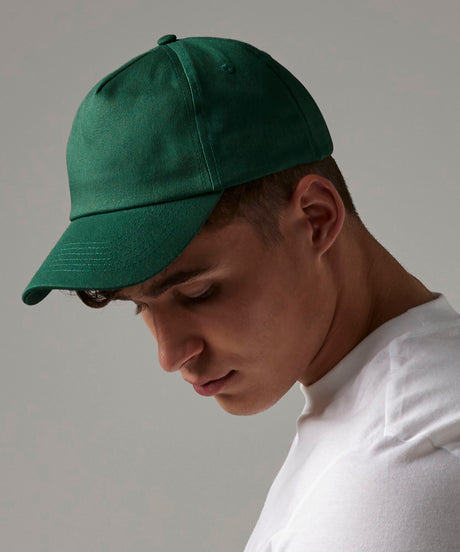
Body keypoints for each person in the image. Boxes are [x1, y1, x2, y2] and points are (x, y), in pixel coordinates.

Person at [22, 34, 460, 550]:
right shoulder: (387, 406)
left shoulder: (402, 466)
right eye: (140, 304)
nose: (170, 355)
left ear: (316, 218)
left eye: (198, 292)